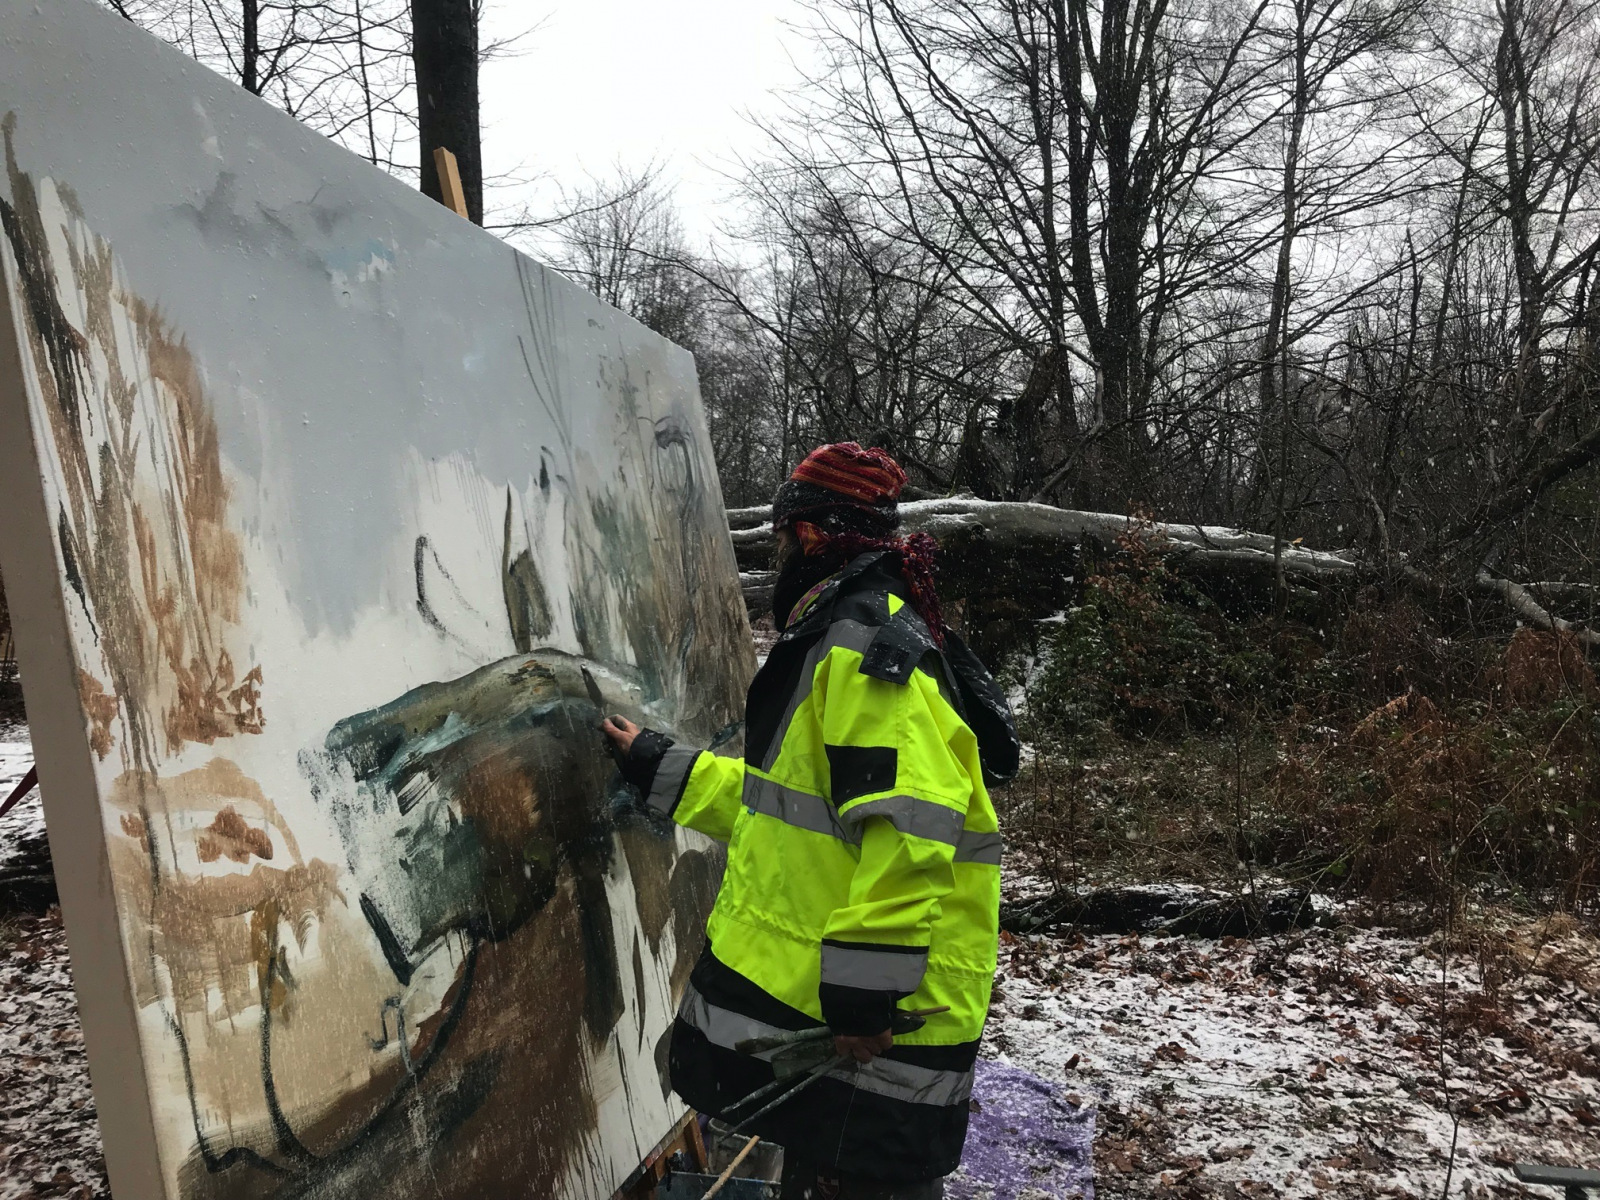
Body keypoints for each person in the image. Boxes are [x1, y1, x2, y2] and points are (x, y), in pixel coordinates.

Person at [602, 442, 1018, 1200]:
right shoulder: (846, 632)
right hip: (853, 1018)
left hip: (879, 1028)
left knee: (866, 1186)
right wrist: (662, 767)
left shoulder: (863, 645)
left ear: (808, 534)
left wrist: (864, 994)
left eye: (781, 540)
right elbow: (791, 810)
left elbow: (911, 827)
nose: (779, 558)